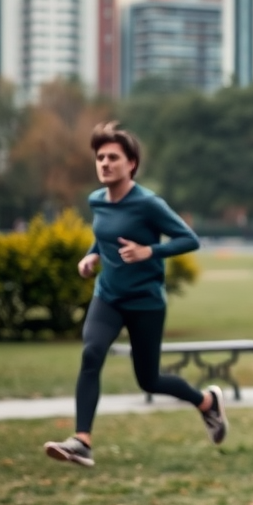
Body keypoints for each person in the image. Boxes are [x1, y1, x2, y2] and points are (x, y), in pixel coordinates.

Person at [43, 122, 226, 467]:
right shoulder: (97, 200)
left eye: (113, 157)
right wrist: (92, 253)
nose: (105, 164)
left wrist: (149, 252)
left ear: (132, 164)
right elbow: (104, 233)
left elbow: (190, 239)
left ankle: (206, 402)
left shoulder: (148, 204)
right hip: (108, 296)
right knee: (92, 352)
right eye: (100, 158)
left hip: (145, 302)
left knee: (150, 379)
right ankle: (82, 440)